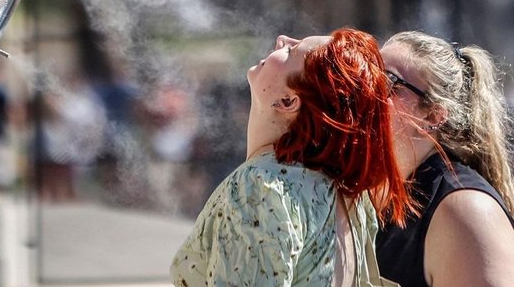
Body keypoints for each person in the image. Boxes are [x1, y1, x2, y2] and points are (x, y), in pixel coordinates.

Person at [171, 28, 412, 286]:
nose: (282, 39)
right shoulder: (347, 195)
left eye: (291, 51)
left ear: (287, 102)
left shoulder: (260, 187)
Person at [376, 31, 514, 286]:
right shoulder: (376, 194)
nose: (364, 93)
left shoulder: (466, 210)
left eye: (385, 82)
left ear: (433, 116)